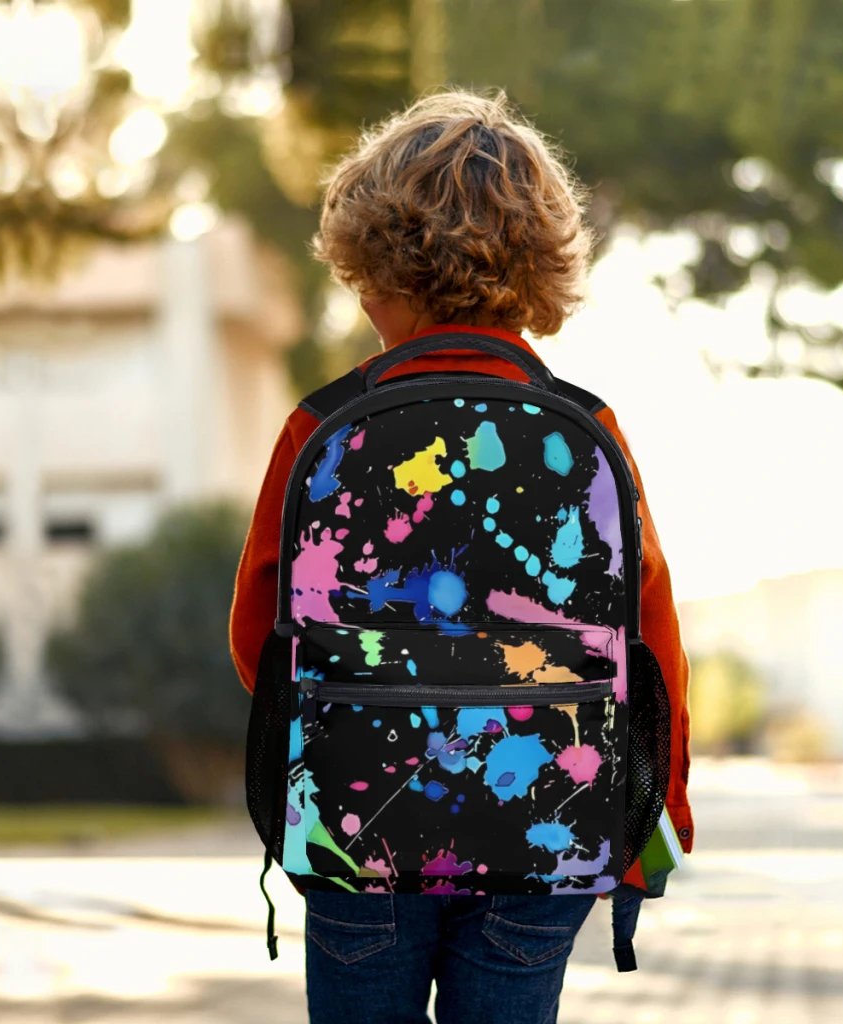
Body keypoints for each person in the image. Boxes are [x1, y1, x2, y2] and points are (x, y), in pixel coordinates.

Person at [230, 89, 692, 1024]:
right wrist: (660, 812)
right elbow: (650, 639)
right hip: (544, 834)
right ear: (540, 268)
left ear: (375, 269)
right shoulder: (587, 429)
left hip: (363, 834)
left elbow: (257, 636)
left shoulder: (320, 427)